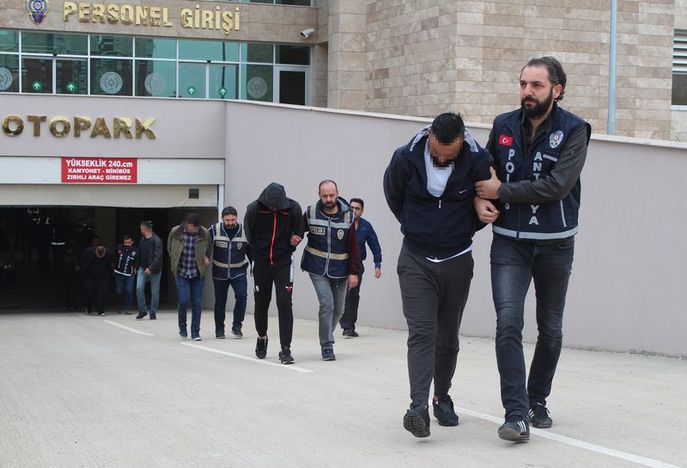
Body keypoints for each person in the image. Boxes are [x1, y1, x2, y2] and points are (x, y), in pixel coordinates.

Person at [474, 56, 591, 442]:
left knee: (550, 328)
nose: (527, 91)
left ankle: (537, 399)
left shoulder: (575, 130)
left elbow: (557, 185)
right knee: (508, 323)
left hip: (556, 243)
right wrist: (480, 198)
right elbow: (484, 171)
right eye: (523, 84)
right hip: (509, 242)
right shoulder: (503, 124)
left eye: (536, 85)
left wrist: (502, 191)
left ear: (557, 90)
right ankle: (516, 414)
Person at [383, 112, 492, 438]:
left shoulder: (477, 159)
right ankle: (418, 407)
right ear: (430, 135)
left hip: (457, 260)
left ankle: (442, 396)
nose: (442, 159)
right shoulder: (405, 158)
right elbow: (393, 195)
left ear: (461, 142)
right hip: (415, 259)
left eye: (449, 155)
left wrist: (467, 224)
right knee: (422, 333)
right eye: (437, 153)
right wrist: (416, 226)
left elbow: (487, 194)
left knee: (447, 337)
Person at [244, 182, 304, 365]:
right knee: (261, 303)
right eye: (271, 207)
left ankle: (285, 349)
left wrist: (294, 241)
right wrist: (258, 254)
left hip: (283, 262)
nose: (274, 209)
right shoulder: (254, 209)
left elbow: (299, 231)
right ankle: (262, 336)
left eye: (277, 207)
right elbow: (249, 236)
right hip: (261, 262)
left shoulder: (293, 208)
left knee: (284, 302)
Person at [301, 180, 361, 361]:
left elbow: (354, 247)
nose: (328, 199)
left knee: (339, 310)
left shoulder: (348, 216)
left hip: (341, 270)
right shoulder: (310, 213)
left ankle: (327, 333)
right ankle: (327, 345)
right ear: (319, 195)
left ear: (337, 193)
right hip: (316, 267)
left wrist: (354, 272)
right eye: (325, 195)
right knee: (327, 304)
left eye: (331, 195)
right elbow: (296, 232)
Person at [339, 197, 382, 338]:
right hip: (340, 263)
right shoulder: (341, 223)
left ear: (362, 211)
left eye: (357, 208)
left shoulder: (366, 226)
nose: (354, 210)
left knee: (353, 295)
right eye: (351, 208)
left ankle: (350, 326)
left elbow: (375, 245)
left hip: (357, 265)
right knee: (341, 294)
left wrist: (377, 265)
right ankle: (345, 326)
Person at [209, 206, 252, 339]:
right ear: (222, 219)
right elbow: (205, 247)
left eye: (233, 220)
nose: (230, 223)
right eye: (227, 220)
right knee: (220, 301)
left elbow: (251, 250)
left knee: (242, 297)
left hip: (239, 271)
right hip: (219, 272)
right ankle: (219, 329)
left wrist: (254, 265)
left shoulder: (245, 231)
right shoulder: (214, 230)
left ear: (236, 218)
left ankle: (237, 326)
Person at [168, 213, 212, 341]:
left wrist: (205, 258)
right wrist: (175, 261)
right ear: (187, 224)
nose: (195, 230)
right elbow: (170, 248)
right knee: (183, 300)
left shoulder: (204, 233)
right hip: (181, 272)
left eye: (197, 227)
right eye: (193, 227)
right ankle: (182, 326)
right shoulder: (176, 232)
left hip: (197, 273)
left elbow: (208, 249)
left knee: (197, 302)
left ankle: (195, 332)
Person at [136, 221, 163, 321]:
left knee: (155, 292)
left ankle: (153, 312)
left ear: (145, 229)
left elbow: (158, 256)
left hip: (155, 270)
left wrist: (151, 268)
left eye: (141, 229)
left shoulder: (157, 240)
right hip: (142, 268)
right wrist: (137, 266)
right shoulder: (142, 240)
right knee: (139, 288)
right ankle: (142, 310)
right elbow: (139, 253)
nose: (140, 230)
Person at [81, 245, 113, 317]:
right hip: (90, 276)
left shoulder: (109, 253)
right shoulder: (88, 252)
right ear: (96, 252)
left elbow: (112, 263)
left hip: (103, 276)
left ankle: (101, 310)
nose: (100, 257)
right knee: (89, 291)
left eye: (102, 256)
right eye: (99, 256)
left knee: (102, 292)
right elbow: (83, 263)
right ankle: (89, 306)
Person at [113, 235, 138, 315]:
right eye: (125, 242)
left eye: (128, 242)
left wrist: (136, 268)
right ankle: (119, 305)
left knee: (129, 291)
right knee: (119, 291)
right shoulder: (119, 247)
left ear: (132, 242)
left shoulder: (136, 250)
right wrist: (113, 267)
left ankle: (128, 308)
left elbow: (138, 260)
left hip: (130, 274)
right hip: (119, 273)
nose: (127, 244)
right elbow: (113, 257)